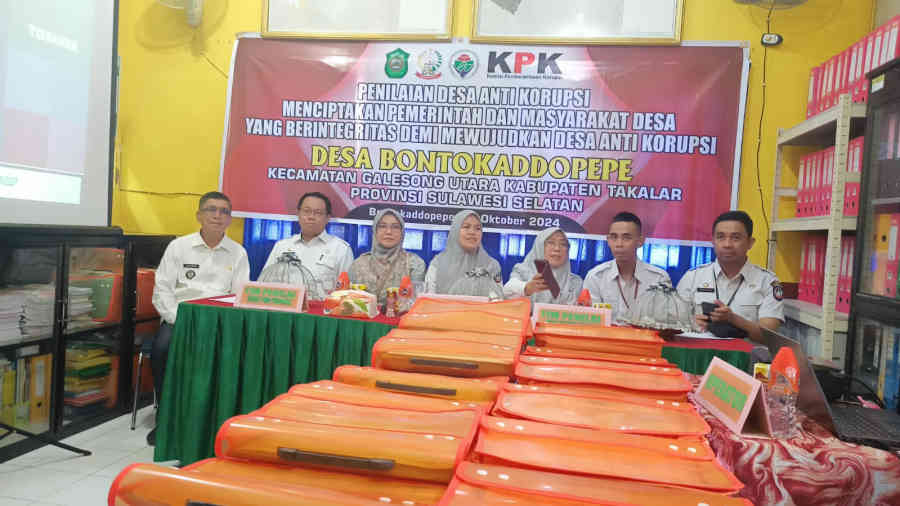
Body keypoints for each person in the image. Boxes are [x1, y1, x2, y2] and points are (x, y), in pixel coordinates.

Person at [148, 191, 250, 445]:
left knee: (235, 354)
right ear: (199, 215)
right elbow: (162, 290)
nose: (217, 216)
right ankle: (165, 418)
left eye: (224, 211)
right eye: (211, 210)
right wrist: (178, 320)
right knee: (162, 349)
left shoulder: (238, 252)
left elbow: (241, 295)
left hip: (220, 322)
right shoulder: (179, 247)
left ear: (230, 219)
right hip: (180, 318)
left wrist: (221, 324)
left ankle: (216, 419)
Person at [676, 210, 784, 345]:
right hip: (700, 353)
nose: (727, 244)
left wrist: (733, 319)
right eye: (720, 237)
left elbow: (770, 337)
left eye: (736, 238)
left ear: (750, 243)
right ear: (713, 241)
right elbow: (673, 325)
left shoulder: (768, 282)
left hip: (745, 356)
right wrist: (691, 324)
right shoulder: (693, 277)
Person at [583, 212, 672, 323]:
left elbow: (663, 322)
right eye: (614, 237)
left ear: (640, 241)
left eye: (626, 238)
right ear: (608, 241)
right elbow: (591, 321)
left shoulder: (659, 278)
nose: (619, 244)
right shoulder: (596, 277)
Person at [263, 192, 354, 298]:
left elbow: (347, 294)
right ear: (298, 214)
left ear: (327, 218)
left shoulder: (341, 249)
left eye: (318, 213)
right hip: (284, 306)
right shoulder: (282, 246)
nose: (311, 217)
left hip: (322, 308)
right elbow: (265, 284)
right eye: (306, 211)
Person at [349, 208, 426, 305]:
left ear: (402, 233)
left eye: (395, 227)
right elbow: (350, 301)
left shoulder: (414, 264)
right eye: (382, 226)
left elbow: (416, 303)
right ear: (375, 231)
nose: (389, 231)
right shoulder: (358, 264)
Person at [424, 210, 503, 296]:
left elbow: (498, 298)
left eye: (477, 228)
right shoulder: (438, 263)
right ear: (455, 231)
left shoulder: (491, 265)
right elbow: (428, 298)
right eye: (466, 227)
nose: (472, 232)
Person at [504, 227, 583, 304]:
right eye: (551, 242)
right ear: (539, 246)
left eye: (563, 244)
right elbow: (507, 290)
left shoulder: (575, 282)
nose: (557, 248)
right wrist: (527, 288)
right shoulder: (522, 271)